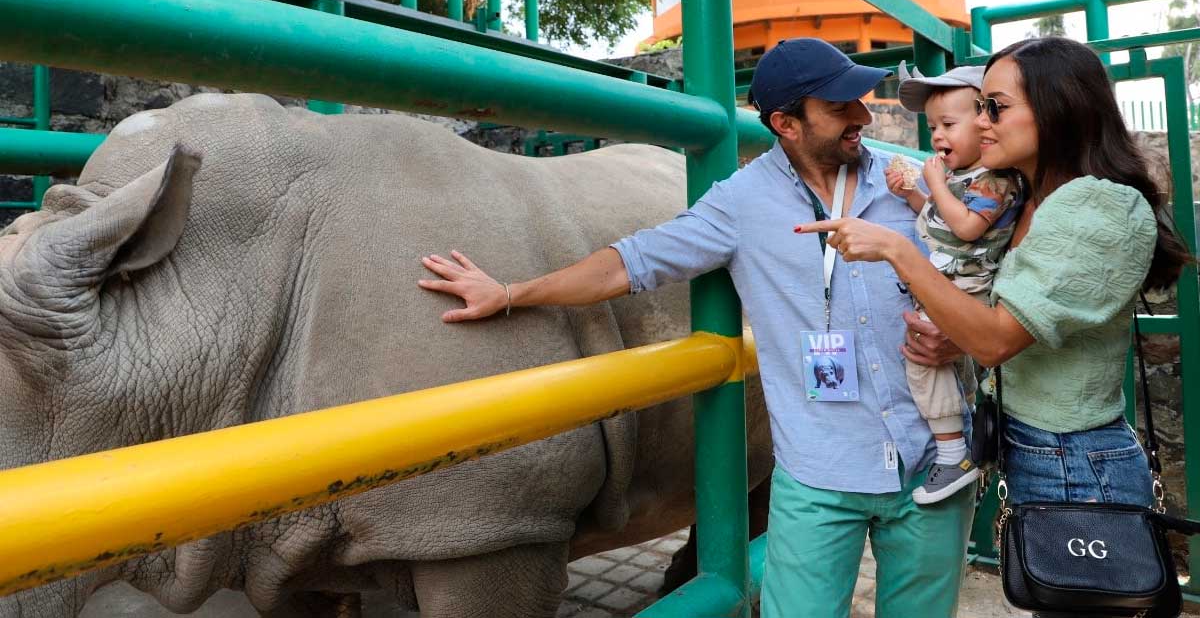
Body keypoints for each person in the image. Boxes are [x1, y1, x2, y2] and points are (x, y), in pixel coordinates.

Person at [419, 38, 978, 618]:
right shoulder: (740, 203)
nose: (862, 115)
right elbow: (630, 263)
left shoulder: (910, 184)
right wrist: (512, 293)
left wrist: (959, 335)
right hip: (820, 477)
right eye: (840, 107)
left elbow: (984, 271)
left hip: (933, 461)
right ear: (786, 124)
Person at [798, 36, 1190, 513]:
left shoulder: (1096, 205)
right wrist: (957, 337)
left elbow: (997, 340)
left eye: (995, 108)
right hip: (1032, 448)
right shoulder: (1027, 197)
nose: (980, 121)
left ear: (1056, 109)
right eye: (980, 106)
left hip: (1075, 463)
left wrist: (896, 250)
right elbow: (1007, 320)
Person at [883, 63, 1024, 505]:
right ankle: (962, 440)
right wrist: (912, 195)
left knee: (922, 360)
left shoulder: (995, 181)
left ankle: (953, 454)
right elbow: (941, 217)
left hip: (969, 289)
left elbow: (964, 226)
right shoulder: (966, 178)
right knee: (943, 366)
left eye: (948, 124)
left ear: (984, 121)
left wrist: (934, 183)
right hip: (955, 285)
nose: (938, 135)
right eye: (932, 127)